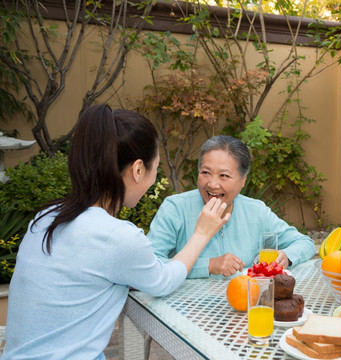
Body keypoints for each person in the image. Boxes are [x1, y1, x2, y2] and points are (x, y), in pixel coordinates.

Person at [2, 105, 230, 360]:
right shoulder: (116, 237)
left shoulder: (45, 218)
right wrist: (202, 233)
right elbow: (163, 281)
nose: (154, 177)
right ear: (138, 170)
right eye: (156, 168)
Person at [148, 135, 316, 278]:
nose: (213, 184)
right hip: (183, 308)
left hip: (244, 305)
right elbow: (150, 265)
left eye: (224, 176)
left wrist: (286, 256)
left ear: (243, 180)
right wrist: (209, 265)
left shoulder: (256, 211)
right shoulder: (175, 208)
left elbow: (304, 243)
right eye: (205, 173)